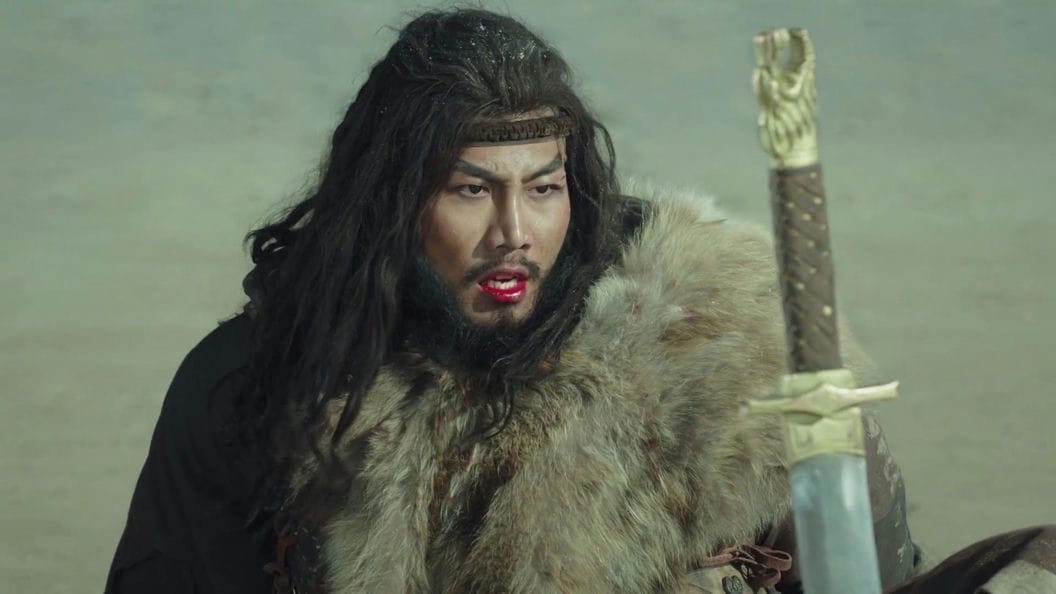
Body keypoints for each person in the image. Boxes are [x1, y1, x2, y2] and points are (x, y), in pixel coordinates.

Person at [106, 8, 1052, 594]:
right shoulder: (257, 384)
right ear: (394, 204)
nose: (514, 231)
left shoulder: (722, 355)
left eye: (544, 187)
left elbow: (878, 574)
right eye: (470, 189)